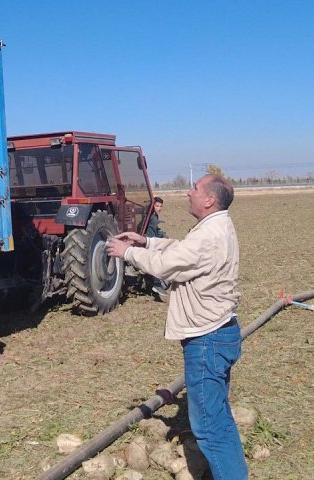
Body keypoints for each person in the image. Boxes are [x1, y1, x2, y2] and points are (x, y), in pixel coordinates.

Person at [107, 174, 247, 479]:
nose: (188, 192)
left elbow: (165, 265)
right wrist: (146, 241)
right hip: (217, 333)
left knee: (210, 428)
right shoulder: (214, 226)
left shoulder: (210, 235)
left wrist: (128, 252)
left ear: (209, 199)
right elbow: (181, 249)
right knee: (219, 418)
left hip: (207, 339)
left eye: (195, 189)